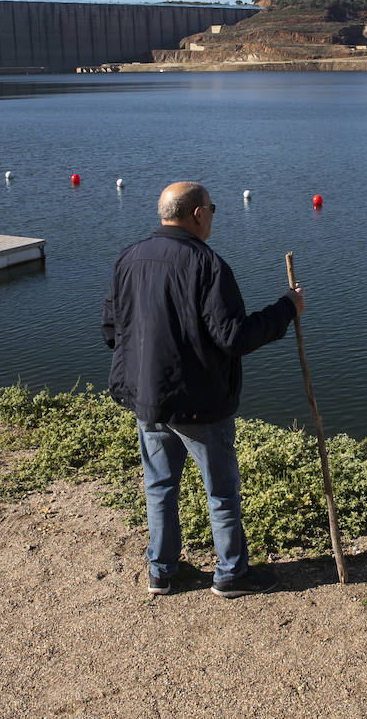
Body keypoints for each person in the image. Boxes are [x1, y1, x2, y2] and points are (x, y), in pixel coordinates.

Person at [102, 181, 304, 598]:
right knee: (222, 492)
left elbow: (111, 331)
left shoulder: (128, 258)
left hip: (148, 403)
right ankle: (231, 574)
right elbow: (234, 337)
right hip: (200, 406)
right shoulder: (208, 265)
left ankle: (162, 571)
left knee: (159, 487)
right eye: (212, 207)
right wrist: (286, 308)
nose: (213, 214)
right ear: (196, 213)